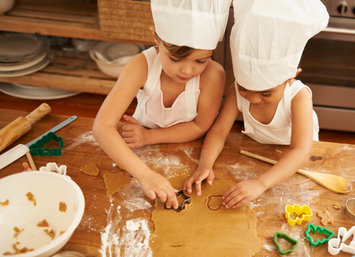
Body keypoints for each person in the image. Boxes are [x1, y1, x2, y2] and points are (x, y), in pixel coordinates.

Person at [184, 0, 329, 208]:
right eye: (244, 89)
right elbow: (218, 131)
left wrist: (261, 183)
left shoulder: (298, 97)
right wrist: (205, 165)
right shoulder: (237, 91)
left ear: (290, 78)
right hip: (257, 152)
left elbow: (300, 152)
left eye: (266, 93)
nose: (252, 99)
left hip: (293, 164)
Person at [93, 0, 231, 209]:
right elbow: (102, 127)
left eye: (200, 61)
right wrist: (144, 174)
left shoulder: (213, 75)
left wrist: (149, 137)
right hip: (135, 154)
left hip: (187, 149)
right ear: (156, 38)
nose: (187, 71)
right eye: (176, 59)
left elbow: (199, 126)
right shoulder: (141, 66)